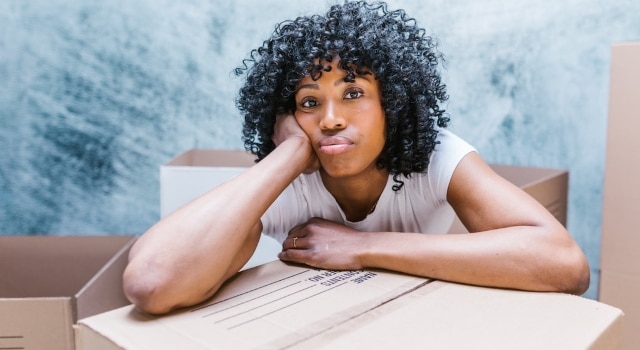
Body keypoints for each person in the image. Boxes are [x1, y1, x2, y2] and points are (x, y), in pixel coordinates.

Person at [123, 0, 589, 315]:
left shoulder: (436, 155)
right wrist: (286, 156)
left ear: (393, 102)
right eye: (308, 102)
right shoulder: (285, 176)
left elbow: (565, 265)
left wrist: (360, 246)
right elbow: (152, 283)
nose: (329, 119)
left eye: (353, 93)